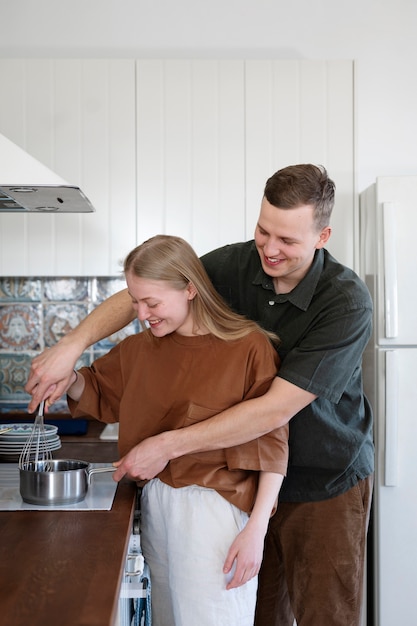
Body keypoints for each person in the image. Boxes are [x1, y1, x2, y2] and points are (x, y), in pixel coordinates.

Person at [26, 164, 374, 626]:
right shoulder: (232, 266)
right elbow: (150, 287)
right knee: (257, 613)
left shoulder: (344, 302)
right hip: (242, 485)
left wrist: (166, 444)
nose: (269, 250)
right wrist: (70, 349)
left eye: (287, 241)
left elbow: (273, 411)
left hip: (324, 480)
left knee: (324, 615)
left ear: (322, 236)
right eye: (262, 231)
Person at [65, 234, 288, 626]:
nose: (141, 313)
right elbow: (98, 392)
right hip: (155, 504)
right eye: (135, 301)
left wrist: (257, 529)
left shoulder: (248, 348)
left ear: (190, 288)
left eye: (151, 302)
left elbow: (273, 444)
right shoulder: (140, 350)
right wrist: (62, 375)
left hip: (213, 513)